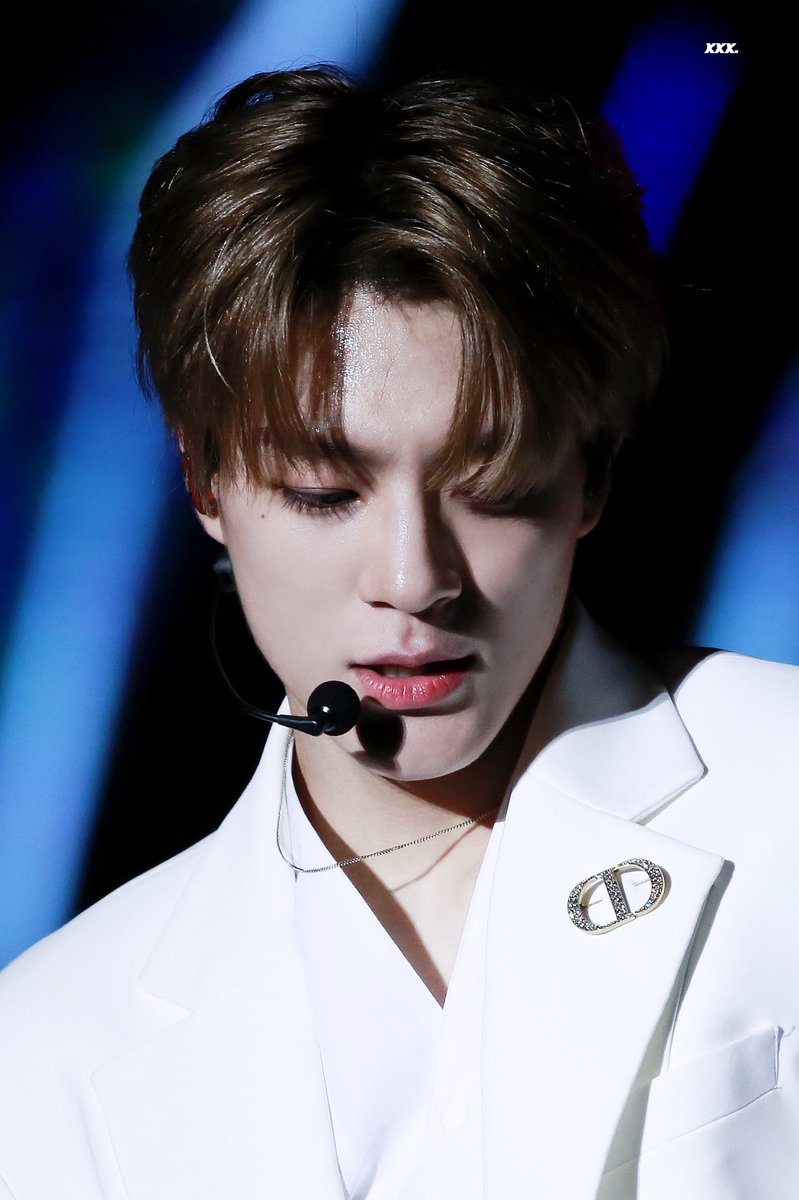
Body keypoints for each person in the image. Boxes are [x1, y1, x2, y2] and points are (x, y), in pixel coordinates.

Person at [0, 65, 797, 1200]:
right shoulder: (45, 1052)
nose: (414, 580)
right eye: (324, 492)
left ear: (591, 475)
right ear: (206, 481)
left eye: (492, 485)